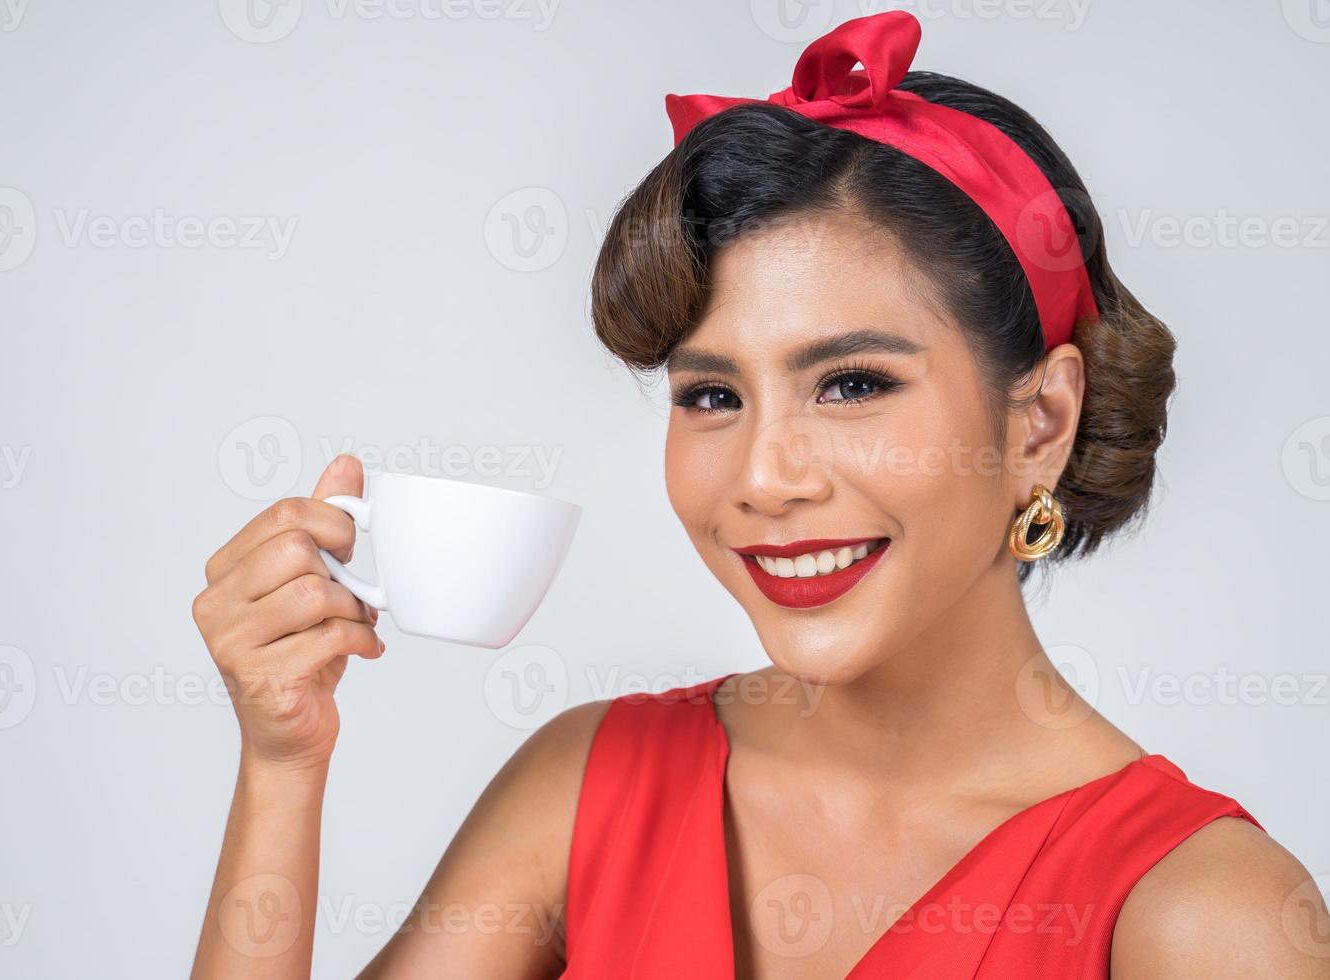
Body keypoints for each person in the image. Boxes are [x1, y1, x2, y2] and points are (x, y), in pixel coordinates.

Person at [189, 12, 1329, 978]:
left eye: (852, 382)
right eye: (712, 395)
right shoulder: (588, 783)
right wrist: (283, 769)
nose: (766, 478)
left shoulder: (1201, 914)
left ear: (1039, 422)